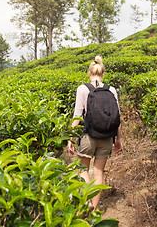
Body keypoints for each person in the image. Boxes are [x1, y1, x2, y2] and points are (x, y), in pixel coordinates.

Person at [67, 55, 122, 211]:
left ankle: (85, 204)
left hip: (87, 137)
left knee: (82, 170)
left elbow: (77, 115)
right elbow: (117, 116)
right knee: (98, 172)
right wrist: (118, 139)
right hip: (106, 137)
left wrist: (71, 137)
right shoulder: (111, 90)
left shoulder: (83, 88)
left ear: (89, 73)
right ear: (103, 74)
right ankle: (94, 209)